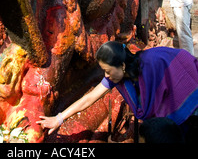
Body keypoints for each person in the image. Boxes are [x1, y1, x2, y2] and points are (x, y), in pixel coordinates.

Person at [37, 41, 198, 141]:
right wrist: (59, 118)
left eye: (108, 71)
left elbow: (158, 99)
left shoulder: (149, 66)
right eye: (103, 71)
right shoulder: (118, 75)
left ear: (122, 66)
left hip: (183, 86)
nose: (106, 76)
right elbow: (91, 97)